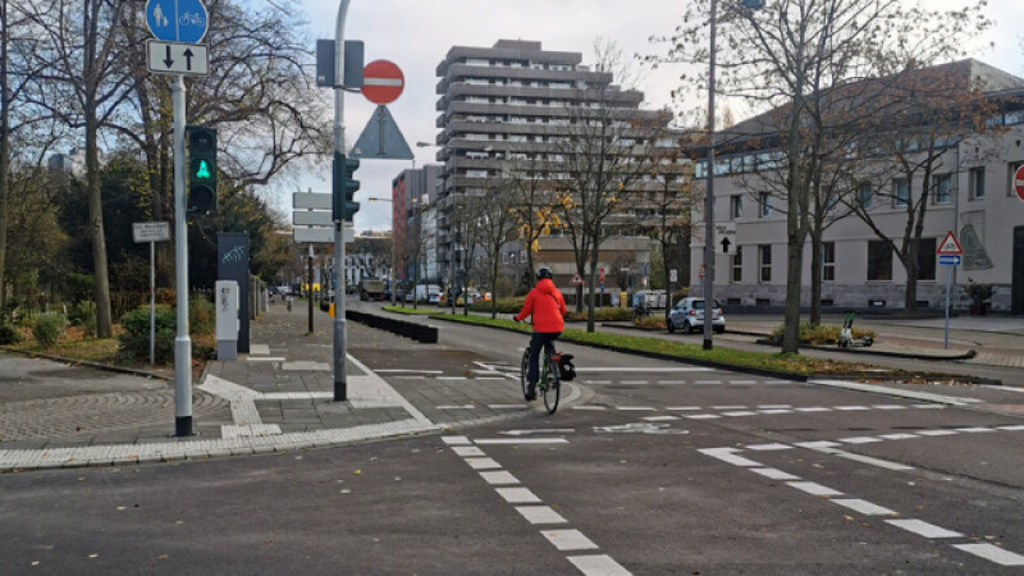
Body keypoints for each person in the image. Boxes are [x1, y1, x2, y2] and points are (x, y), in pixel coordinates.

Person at [514, 268, 567, 401]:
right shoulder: (557, 293)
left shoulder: (534, 293)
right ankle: (553, 370)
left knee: (534, 355)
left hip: (540, 330)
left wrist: (518, 318)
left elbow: (526, 310)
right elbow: (564, 311)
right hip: (557, 328)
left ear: (538, 279)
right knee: (550, 345)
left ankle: (531, 388)